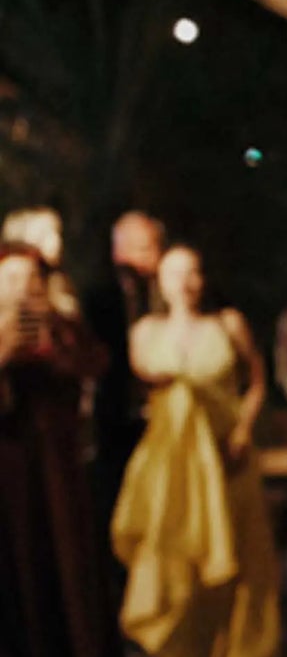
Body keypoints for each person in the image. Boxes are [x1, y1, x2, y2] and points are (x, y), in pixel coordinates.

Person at [113, 244, 280, 657]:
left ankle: (230, 653)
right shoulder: (147, 331)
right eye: (174, 274)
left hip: (227, 452)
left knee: (231, 548)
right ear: (161, 283)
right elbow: (143, 381)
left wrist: (244, 429)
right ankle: (185, 655)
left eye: (192, 273)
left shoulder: (229, 324)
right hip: (174, 458)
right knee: (178, 549)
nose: (184, 284)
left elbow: (258, 380)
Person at [0, 241, 115, 657]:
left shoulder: (62, 323)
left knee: (69, 555)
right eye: (10, 279)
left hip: (59, 461)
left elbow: (95, 363)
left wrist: (61, 333)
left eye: (30, 279)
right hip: (11, 463)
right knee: (21, 558)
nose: (22, 288)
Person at [84, 211, 164, 581]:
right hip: (116, 421)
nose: (151, 256)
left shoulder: (166, 294)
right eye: (143, 247)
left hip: (164, 424)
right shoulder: (99, 299)